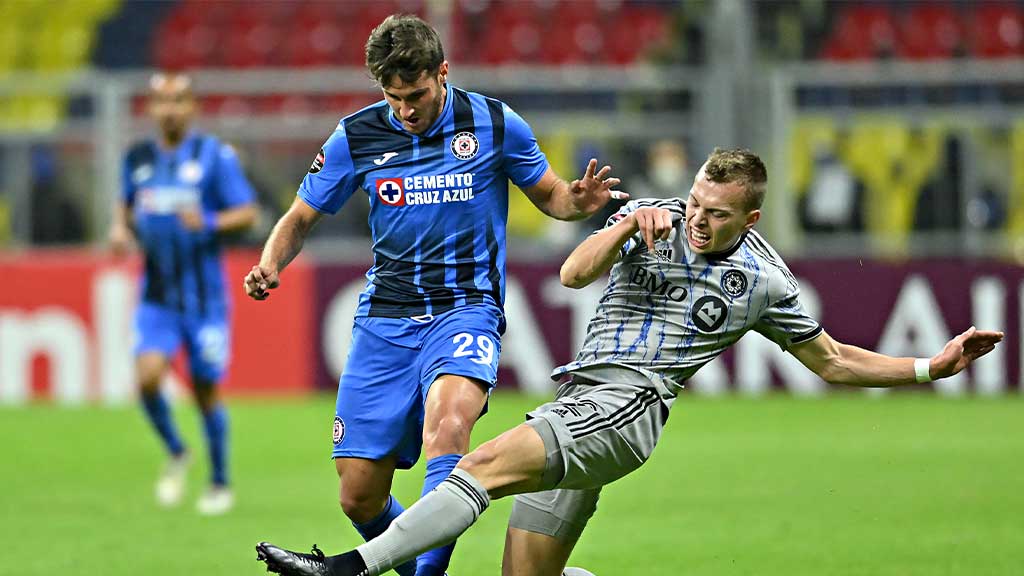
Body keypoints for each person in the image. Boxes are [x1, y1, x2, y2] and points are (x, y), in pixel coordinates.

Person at [254, 148, 1003, 576]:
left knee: (475, 465)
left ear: (752, 217)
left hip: (628, 408)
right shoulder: (653, 219)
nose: (698, 220)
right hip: (581, 400)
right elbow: (572, 275)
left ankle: (347, 571)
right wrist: (620, 231)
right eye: (695, 203)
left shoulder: (766, 282)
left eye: (717, 213)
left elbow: (833, 361)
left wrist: (930, 369)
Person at [243, 14, 623, 576]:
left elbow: (550, 196)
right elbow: (299, 217)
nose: (406, 110)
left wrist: (578, 200)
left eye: (416, 95)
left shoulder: (493, 123)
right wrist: (269, 263)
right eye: (393, 97)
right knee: (358, 496)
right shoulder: (356, 136)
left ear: (442, 72)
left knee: (449, 425)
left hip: (465, 310)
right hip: (384, 319)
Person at [109, 72, 258, 515]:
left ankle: (218, 481)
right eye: (161, 101)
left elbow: (247, 212)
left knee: (204, 389)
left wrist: (209, 222)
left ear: (192, 107)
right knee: (148, 378)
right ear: (151, 109)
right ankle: (177, 450)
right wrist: (119, 226)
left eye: (178, 101)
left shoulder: (213, 157)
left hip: (205, 301)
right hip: (157, 296)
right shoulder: (137, 157)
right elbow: (125, 201)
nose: (169, 109)